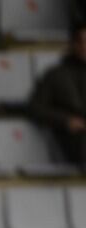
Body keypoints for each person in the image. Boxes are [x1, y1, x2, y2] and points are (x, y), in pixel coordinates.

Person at [29, 22, 86, 168]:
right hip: (76, 137)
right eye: (80, 42)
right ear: (73, 44)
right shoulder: (55, 75)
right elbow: (35, 107)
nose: (84, 47)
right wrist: (66, 121)